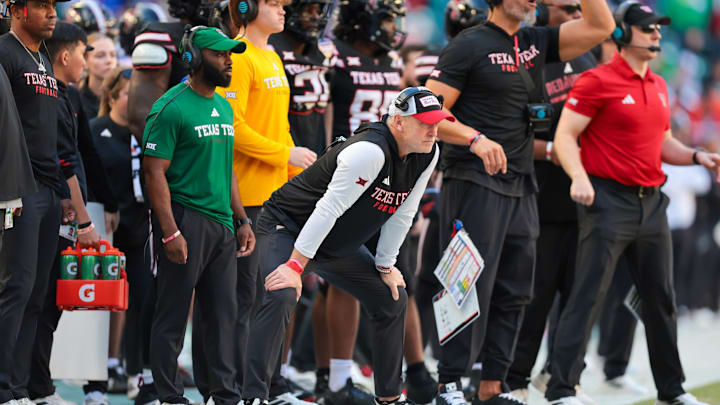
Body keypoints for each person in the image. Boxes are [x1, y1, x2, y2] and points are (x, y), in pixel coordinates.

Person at [423, 0, 614, 401]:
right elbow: (427, 112)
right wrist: (475, 139)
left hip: (522, 183)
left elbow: (601, 25)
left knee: (515, 289)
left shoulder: (535, 41)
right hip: (474, 180)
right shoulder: (467, 44)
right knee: (465, 285)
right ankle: (450, 383)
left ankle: (494, 385)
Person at [546, 2, 720, 404]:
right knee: (587, 296)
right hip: (608, 201)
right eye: (647, 29)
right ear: (622, 34)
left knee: (661, 300)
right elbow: (565, 137)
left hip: (652, 203)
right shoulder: (596, 81)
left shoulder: (658, 85)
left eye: (658, 29)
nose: (657, 35)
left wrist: (697, 156)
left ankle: (672, 390)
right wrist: (579, 177)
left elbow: (662, 142)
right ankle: (560, 388)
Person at [242, 86, 451, 405]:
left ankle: (390, 398)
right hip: (289, 227)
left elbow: (403, 213)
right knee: (282, 291)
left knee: (392, 297)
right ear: (397, 122)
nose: (433, 130)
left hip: (334, 241)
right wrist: (296, 266)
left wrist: (385, 265)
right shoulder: (369, 151)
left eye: (437, 122)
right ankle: (253, 396)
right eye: (425, 123)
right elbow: (327, 210)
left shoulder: (429, 153)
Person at [142, 26, 254, 405]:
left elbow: (227, 168)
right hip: (185, 219)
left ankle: (224, 396)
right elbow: (153, 172)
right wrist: (170, 233)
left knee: (223, 317)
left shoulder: (224, 106)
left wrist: (241, 220)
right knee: (173, 316)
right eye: (219, 54)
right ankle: (169, 396)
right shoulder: (170, 108)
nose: (228, 61)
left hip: (222, 225)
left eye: (230, 55)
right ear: (192, 58)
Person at [213, 1, 317, 403]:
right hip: (249, 198)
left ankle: (270, 385)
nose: (283, 9)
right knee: (252, 300)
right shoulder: (239, 58)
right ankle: (245, 390)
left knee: (278, 294)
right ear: (246, 7)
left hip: (278, 198)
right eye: (273, 3)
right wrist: (284, 155)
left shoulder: (272, 55)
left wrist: (299, 178)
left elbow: (280, 125)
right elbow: (232, 126)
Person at [501, 0, 598, 402]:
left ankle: (563, 381)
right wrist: (552, 151)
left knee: (581, 297)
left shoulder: (590, 55)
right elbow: (510, 128)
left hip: (589, 195)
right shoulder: (526, 54)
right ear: (542, 12)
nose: (576, 14)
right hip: (540, 191)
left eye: (579, 8)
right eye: (566, 8)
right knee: (534, 294)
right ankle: (517, 378)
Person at [0, 1, 77, 405]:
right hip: (19, 186)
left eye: (53, 5)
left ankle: (21, 387)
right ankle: (3, 388)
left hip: (49, 189)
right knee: (17, 286)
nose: (52, 12)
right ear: (16, 9)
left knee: (36, 292)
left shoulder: (43, 58)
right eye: (43, 5)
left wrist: (64, 194)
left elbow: (50, 135)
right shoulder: (4, 51)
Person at [90, 66, 154, 404]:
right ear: (113, 95)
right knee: (103, 301)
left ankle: (136, 374)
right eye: (131, 93)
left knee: (142, 302)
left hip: (141, 227)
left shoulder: (147, 132)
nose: (137, 101)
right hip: (107, 226)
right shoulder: (97, 129)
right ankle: (96, 380)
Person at [79, 32, 117, 118]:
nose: (109, 61)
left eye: (113, 55)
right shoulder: (76, 101)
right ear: (85, 61)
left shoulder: (124, 97)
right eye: (100, 56)